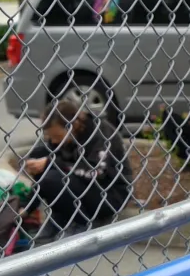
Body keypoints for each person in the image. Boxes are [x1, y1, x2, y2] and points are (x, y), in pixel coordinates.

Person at [21, 101, 132, 241]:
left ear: (72, 126)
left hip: (110, 192)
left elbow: (96, 173)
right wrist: (26, 207)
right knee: (40, 159)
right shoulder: (61, 138)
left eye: (57, 136)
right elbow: (54, 163)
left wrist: (51, 163)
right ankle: (57, 221)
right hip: (80, 183)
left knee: (52, 175)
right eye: (50, 136)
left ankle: (81, 224)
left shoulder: (101, 134)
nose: (54, 141)